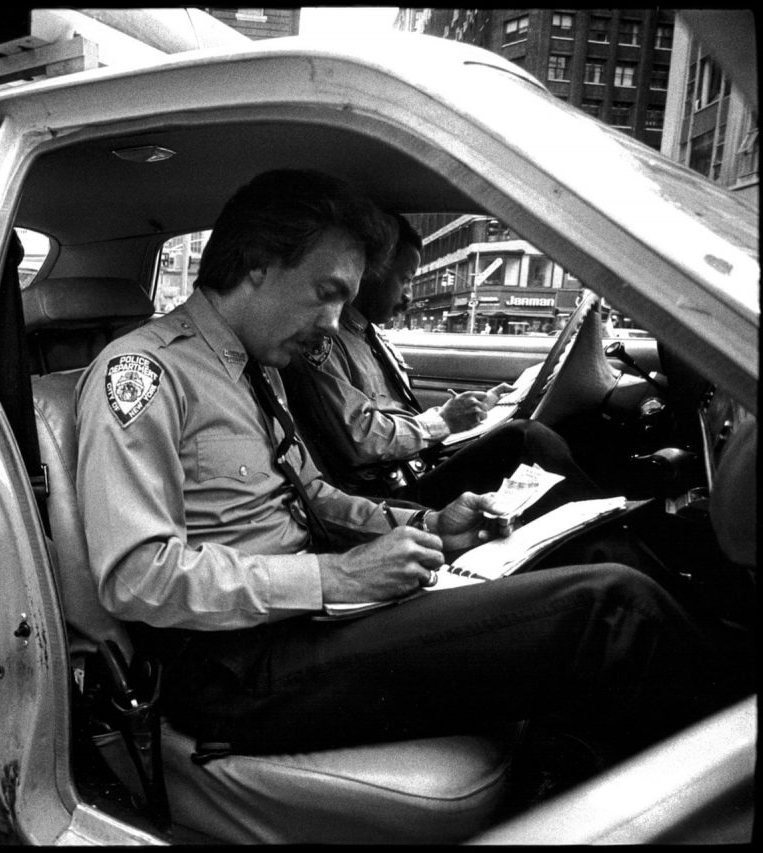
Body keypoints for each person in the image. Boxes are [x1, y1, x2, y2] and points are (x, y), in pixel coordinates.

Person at [74, 169, 750, 791]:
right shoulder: (140, 374)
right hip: (236, 664)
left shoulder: (258, 368)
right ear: (256, 265)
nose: (335, 322)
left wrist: (427, 525)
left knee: (601, 553)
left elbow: (316, 495)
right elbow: (137, 574)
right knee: (610, 607)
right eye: (327, 292)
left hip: (306, 615)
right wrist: (338, 578)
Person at [281, 212, 601, 513]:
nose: (408, 296)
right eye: (404, 280)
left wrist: (483, 407)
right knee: (525, 439)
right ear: (370, 274)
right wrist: (444, 421)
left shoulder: (373, 337)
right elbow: (360, 440)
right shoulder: (324, 342)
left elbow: (401, 414)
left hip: (416, 468)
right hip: (386, 497)